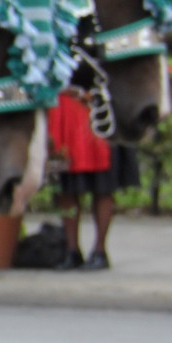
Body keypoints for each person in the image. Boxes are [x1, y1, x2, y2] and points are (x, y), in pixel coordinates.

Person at [47, 87, 134, 269]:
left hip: (99, 112)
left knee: (103, 187)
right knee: (66, 187)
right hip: (65, 114)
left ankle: (100, 250)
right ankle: (72, 250)